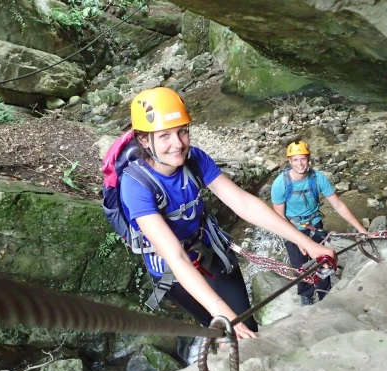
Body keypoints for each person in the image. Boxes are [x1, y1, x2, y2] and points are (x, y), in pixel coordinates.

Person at [119, 87, 336, 339]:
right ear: (144, 140)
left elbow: (242, 202)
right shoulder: (135, 185)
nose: (177, 144)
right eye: (164, 136)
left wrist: (305, 242)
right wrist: (220, 310)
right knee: (226, 332)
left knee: (247, 326)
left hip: (212, 254)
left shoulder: (195, 159)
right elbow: (175, 256)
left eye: (182, 131)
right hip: (172, 272)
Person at [271, 141, 368, 306]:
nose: (300, 163)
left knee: (323, 261)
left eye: (303, 159)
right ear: (289, 161)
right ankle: (306, 296)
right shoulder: (280, 184)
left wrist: (361, 230)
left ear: (308, 159)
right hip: (292, 229)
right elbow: (278, 218)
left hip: (315, 226)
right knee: (300, 267)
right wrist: (297, 240)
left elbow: (338, 205)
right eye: (295, 160)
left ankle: (325, 294)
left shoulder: (317, 178)